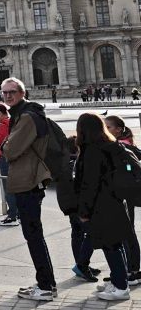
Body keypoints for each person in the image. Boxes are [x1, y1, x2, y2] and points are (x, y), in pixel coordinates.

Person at [0, 77, 59, 301]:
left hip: (28, 180)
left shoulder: (26, 117)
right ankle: (46, 282)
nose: (8, 96)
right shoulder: (25, 113)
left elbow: (10, 150)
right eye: (5, 92)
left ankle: (45, 287)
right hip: (30, 179)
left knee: (33, 235)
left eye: (12, 92)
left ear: (22, 93)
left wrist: (5, 143)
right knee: (34, 235)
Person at [74, 113, 132, 301]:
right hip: (114, 201)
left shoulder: (92, 150)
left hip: (101, 205)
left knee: (111, 246)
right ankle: (118, 281)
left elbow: (89, 184)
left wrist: (84, 211)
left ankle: (121, 287)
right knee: (115, 245)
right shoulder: (109, 145)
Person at [104, 115, 141, 284]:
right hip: (122, 194)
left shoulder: (121, 146)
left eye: (109, 127)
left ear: (118, 129)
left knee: (127, 232)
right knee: (124, 232)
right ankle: (126, 270)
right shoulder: (117, 145)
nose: (105, 130)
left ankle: (132, 270)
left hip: (126, 194)